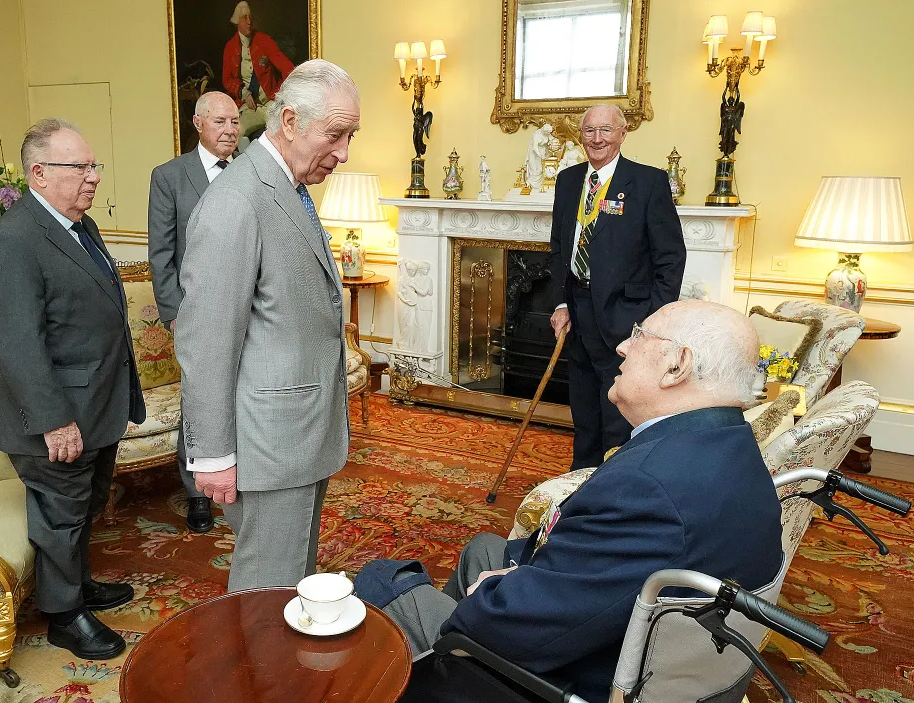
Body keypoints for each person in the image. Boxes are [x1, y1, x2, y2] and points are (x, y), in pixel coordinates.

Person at [355, 300, 784, 703]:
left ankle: (437, 672)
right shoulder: (731, 445)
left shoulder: (648, 487)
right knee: (482, 549)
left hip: (573, 680)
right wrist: (513, 576)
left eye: (639, 335)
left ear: (677, 365)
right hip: (627, 632)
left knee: (385, 580)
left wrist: (488, 601)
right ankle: (432, 676)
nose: (621, 345)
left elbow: (511, 629)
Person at [176, 59, 360, 590]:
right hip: (268, 446)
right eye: (335, 134)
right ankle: (253, 674)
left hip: (296, 438)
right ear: (290, 122)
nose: (344, 152)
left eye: (351, 135)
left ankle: (281, 671)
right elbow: (207, 339)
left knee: (291, 583)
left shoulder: (283, 186)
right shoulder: (237, 201)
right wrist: (211, 455)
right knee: (265, 589)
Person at [0, 119, 146, 659]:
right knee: (60, 514)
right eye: (81, 167)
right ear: (40, 173)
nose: (94, 177)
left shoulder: (79, 224)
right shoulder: (15, 239)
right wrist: (53, 419)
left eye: (94, 165)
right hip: (55, 414)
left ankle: (77, 584)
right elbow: (18, 344)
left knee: (86, 503)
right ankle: (63, 616)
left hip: (95, 403)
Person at [550, 103, 686, 470]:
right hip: (578, 311)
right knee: (583, 411)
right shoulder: (568, 180)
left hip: (627, 317)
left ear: (623, 133)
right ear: (581, 136)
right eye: (589, 131)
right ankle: (579, 483)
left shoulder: (648, 182)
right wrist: (561, 304)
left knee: (618, 412)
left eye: (606, 130)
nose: (597, 139)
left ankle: (613, 488)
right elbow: (559, 247)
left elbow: (671, 256)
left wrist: (652, 318)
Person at [147, 91, 240, 533]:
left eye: (236, 122)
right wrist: (174, 312)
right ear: (199, 124)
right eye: (220, 121)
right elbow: (161, 254)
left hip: (246, 310)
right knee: (199, 400)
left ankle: (240, 477)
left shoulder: (249, 173)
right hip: (196, 313)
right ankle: (197, 494)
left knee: (244, 393)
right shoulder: (169, 177)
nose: (230, 130)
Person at [222, 1, 295, 152]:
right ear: (237, 21)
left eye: (250, 17)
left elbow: (287, 68)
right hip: (250, 107)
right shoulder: (230, 47)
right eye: (244, 18)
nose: (249, 22)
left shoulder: (263, 40)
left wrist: (282, 94)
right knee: (238, 133)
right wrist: (243, 92)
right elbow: (227, 79)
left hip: (271, 104)